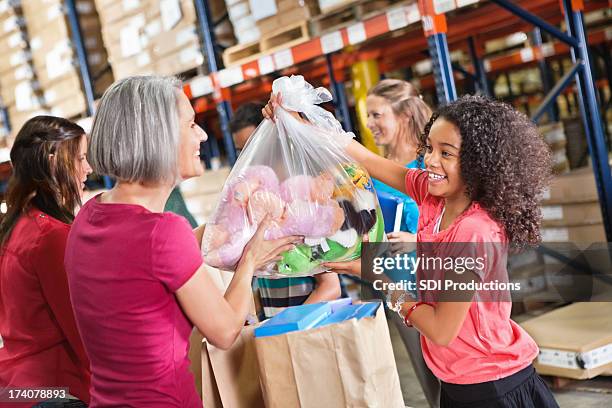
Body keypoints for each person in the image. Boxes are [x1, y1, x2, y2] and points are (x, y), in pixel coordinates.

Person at [266, 95, 559, 407]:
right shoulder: (433, 196)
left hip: (491, 387)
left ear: (479, 164)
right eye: (430, 148)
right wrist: (301, 125)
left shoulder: (474, 232)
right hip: (458, 380)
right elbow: (366, 159)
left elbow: (440, 329)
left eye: (446, 153)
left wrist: (374, 275)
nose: (430, 161)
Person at [64, 76, 300, 407]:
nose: (202, 134)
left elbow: (146, 268)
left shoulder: (89, 215)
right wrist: (251, 261)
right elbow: (225, 330)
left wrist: (232, 216)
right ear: (159, 138)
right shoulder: (163, 232)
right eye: (191, 124)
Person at [0, 116, 92, 405]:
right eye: (80, 158)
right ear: (52, 161)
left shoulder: (18, 226)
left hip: (19, 388)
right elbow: (81, 332)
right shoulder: (52, 237)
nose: (88, 169)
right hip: (54, 387)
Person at [229, 101, 342, 319]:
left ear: (272, 139)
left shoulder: (302, 198)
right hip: (276, 324)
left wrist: (287, 325)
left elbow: (330, 286)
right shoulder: (255, 200)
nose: (246, 157)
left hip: (310, 325)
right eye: (240, 151)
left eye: (251, 146)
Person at [367, 79, 431, 242]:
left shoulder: (432, 164)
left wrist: (415, 241)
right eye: (368, 116)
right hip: (388, 265)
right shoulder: (373, 174)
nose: (368, 123)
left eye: (376, 115)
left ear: (405, 115)